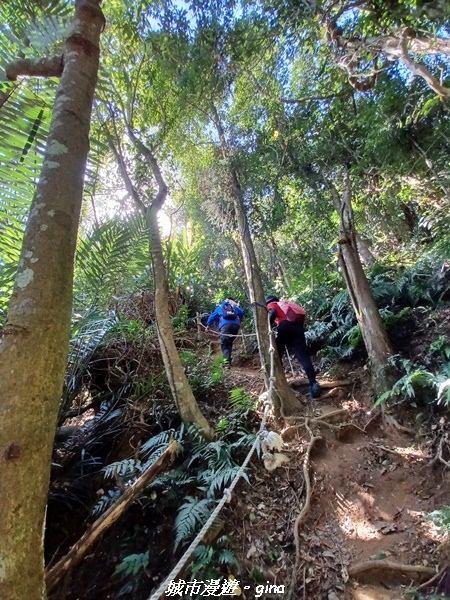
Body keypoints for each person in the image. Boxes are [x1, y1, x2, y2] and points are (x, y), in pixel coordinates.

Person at [265, 295, 322, 398]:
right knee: (303, 356)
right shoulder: (285, 304)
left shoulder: (273, 304)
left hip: (285, 326)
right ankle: (313, 383)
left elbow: (273, 312)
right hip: (298, 328)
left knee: (277, 351)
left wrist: (266, 326)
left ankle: (279, 377)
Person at [205, 298, 244, 368]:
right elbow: (241, 313)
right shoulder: (233, 306)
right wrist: (238, 306)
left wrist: (208, 325)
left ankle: (226, 363)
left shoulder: (220, 306)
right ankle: (228, 360)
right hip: (235, 326)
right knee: (229, 342)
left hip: (225, 325)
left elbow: (212, 316)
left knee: (225, 343)